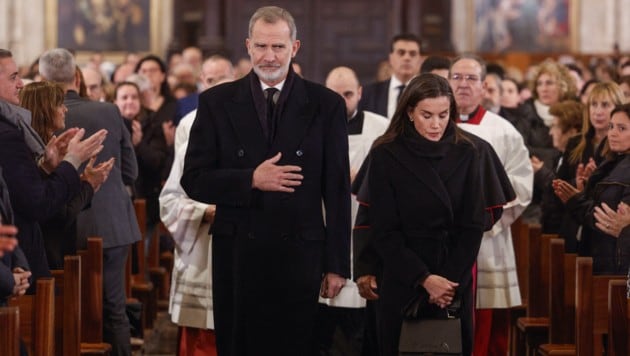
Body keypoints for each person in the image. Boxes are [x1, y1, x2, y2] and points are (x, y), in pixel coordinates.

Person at [181, 6, 351, 355]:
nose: (269, 56)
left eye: (278, 47)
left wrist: (337, 266)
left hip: (301, 253)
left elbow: (336, 191)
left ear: (295, 48)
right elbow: (194, 180)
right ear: (247, 46)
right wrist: (250, 179)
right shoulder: (216, 102)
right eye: (261, 46)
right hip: (239, 253)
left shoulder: (327, 104)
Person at [367, 73, 486, 355]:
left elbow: (473, 225)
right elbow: (384, 230)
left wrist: (445, 282)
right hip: (403, 275)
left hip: (452, 278)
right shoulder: (386, 154)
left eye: (443, 115)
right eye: (427, 115)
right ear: (410, 112)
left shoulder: (467, 152)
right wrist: (424, 278)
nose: (436, 124)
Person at [39, 48, 141, 356]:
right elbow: (130, 171)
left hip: (60, 227)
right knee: (113, 308)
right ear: (78, 76)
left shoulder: (38, 114)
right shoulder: (109, 111)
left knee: (60, 312)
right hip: (109, 226)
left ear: (42, 79)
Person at [0, 49, 106, 291]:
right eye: (13, 77)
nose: (20, 84)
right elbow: (37, 204)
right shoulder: (7, 135)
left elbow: (18, 191)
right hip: (24, 254)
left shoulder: (12, 129)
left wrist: (46, 167)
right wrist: (72, 163)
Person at [449, 54, 533, 356]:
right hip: (440, 243)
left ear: (484, 86)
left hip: (488, 242)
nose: (463, 85)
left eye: (471, 79)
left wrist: (483, 221)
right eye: (457, 77)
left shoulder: (503, 131)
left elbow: (521, 186)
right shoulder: (430, 125)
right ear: (447, 82)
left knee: (487, 324)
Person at [159, 59, 235, 356]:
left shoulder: (255, 121)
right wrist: (204, 211)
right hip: (203, 248)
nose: (216, 87)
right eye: (211, 80)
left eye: (222, 80)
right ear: (202, 82)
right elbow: (171, 198)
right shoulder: (190, 124)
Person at [314, 66, 388, 355]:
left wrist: (362, 180)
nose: (341, 101)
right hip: (325, 229)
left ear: (359, 93)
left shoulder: (381, 128)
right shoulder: (311, 127)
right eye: (335, 95)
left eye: (347, 94)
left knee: (362, 333)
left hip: (366, 231)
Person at [19, 81, 114, 268]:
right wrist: (88, 186)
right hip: (46, 256)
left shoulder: (42, 146)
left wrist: (81, 181)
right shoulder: (33, 151)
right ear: (45, 109)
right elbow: (60, 214)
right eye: (59, 104)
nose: (65, 110)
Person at [554, 103, 630, 274]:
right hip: (601, 255)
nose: (612, 133)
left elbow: (608, 219)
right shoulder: (611, 162)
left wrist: (577, 201)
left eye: (622, 128)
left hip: (616, 263)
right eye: (611, 126)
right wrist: (585, 191)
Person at [359, 33, 422, 119]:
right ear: (391, 58)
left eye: (412, 54)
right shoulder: (368, 93)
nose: (407, 58)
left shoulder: (427, 93)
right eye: (401, 53)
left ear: (419, 60)